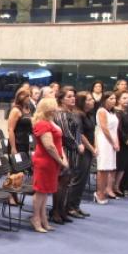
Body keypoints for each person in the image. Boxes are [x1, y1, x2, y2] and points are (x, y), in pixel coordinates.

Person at [30, 97, 68, 233]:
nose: (56, 109)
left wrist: (63, 158)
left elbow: (58, 144)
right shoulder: (42, 123)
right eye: (53, 107)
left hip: (53, 161)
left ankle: (43, 218)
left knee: (45, 191)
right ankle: (36, 218)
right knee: (40, 191)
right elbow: (49, 146)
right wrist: (61, 161)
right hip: (45, 161)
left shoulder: (51, 122)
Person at [51, 87, 82, 224]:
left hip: (73, 151)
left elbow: (78, 132)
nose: (73, 98)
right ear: (61, 99)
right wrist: (77, 145)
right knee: (61, 182)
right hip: (64, 150)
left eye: (73, 96)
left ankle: (62, 210)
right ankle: (55, 211)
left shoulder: (73, 112)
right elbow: (65, 134)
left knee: (67, 183)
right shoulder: (60, 114)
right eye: (69, 96)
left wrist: (78, 143)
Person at [66, 92, 96, 219]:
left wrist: (94, 147)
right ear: (82, 102)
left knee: (83, 180)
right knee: (78, 180)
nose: (92, 101)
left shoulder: (90, 114)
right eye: (89, 99)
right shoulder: (78, 114)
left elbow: (93, 132)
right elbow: (81, 135)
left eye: (92, 99)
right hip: (81, 150)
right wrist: (92, 148)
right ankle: (70, 207)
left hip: (89, 150)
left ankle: (76, 206)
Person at [94, 92, 119, 204]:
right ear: (105, 100)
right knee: (102, 168)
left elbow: (115, 129)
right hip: (104, 141)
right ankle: (99, 193)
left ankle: (104, 191)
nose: (114, 100)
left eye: (115, 98)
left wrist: (116, 143)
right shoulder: (101, 111)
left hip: (112, 141)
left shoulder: (112, 112)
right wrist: (112, 142)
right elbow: (104, 128)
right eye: (111, 98)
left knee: (108, 168)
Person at [113, 91, 128, 198]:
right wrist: (126, 140)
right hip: (120, 142)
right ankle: (112, 187)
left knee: (123, 166)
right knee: (117, 165)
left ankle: (117, 187)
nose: (127, 100)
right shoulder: (116, 112)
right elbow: (119, 129)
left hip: (127, 142)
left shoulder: (126, 111)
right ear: (118, 100)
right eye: (124, 98)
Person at [8, 88, 33, 155]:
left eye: (30, 96)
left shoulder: (28, 109)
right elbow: (10, 130)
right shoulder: (15, 110)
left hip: (27, 142)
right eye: (27, 96)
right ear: (21, 97)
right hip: (18, 144)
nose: (29, 98)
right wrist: (13, 148)